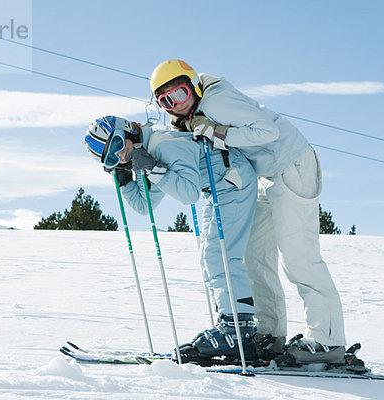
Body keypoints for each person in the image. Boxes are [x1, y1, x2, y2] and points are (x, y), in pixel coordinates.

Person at [150, 59, 347, 364]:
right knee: (256, 257)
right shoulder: (195, 114)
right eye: (165, 101)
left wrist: (218, 132)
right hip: (266, 175)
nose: (174, 104)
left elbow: (265, 131)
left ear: (193, 85)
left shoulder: (215, 100)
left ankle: (328, 340)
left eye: (179, 93)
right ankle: (269, 334)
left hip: (292, 164)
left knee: (298, 257)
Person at [84, 115, 258, 361]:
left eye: (117, 145)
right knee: (210, 259)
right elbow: (144, 206)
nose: (121, 155)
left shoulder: (164, 144)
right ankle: (229, 325)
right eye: (112, 158)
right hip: (219, 189)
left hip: (234, 182)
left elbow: (188, 194)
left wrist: (153, 168)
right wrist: (124, 181)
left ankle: (239, 330)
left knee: (221, 255)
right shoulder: (147, 154)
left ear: (128, 130)